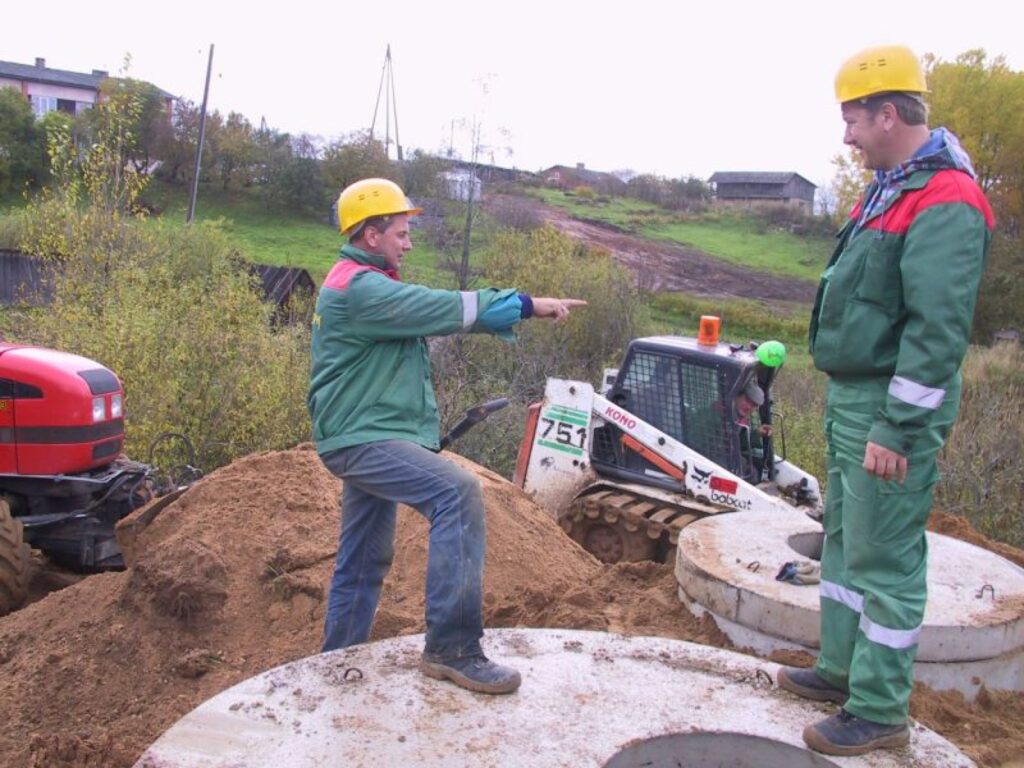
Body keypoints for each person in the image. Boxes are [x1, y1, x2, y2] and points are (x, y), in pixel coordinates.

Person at [776, 45, 993, 756]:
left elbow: (936, 331)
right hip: (854, 397)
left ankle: (878, 708)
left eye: (853, 122)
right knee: (844, 543)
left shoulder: (947, 198)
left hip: (889, 405)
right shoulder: (893, 185)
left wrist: (899, 427)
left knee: (886, 559)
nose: (846, 137)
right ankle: (840, 670)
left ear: (889, 113)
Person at [308, 178, 586, 696]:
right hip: (361, 436)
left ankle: (336, 663)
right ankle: (453, 648)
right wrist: (527, 304)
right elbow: (447, 309)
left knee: (365, 554)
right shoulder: (363, 289)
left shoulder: (357, 281)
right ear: (371, 234)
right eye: (401, 232)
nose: (408, 243)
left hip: (362, 432)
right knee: (455, 492)